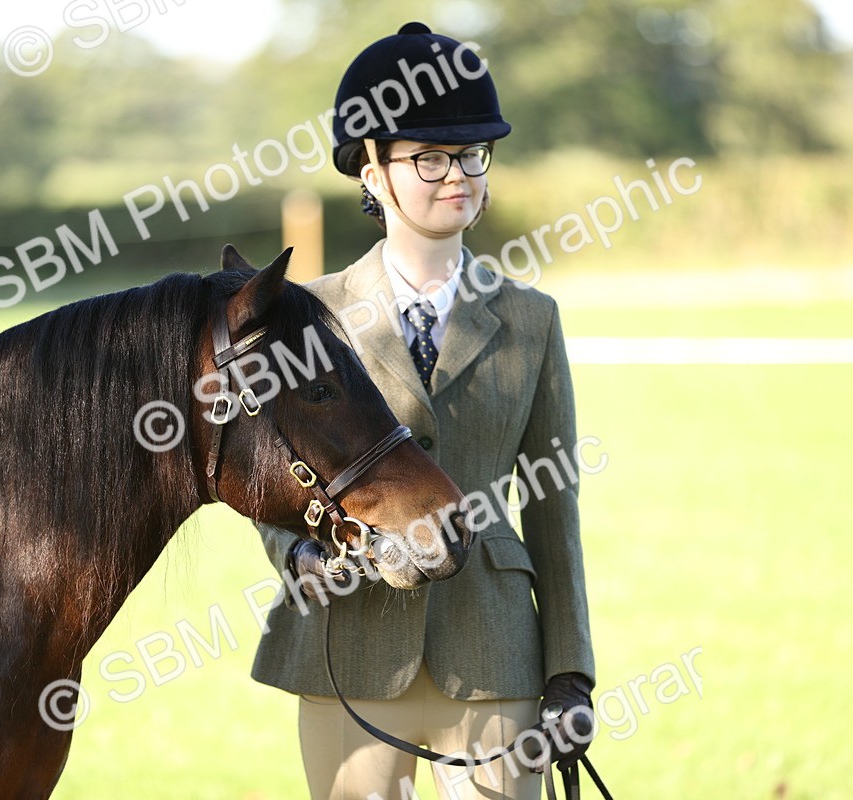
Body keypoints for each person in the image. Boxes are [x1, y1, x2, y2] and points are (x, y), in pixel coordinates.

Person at [251, 22, 596, 800]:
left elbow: (554, 510)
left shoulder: (532, 319)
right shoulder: (310, 315)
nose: (459, 177)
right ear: (370, 170)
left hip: (495, 641)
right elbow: (272, 476)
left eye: (472, 155)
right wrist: (297, 557)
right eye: (430, 158)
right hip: (349, 637)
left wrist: (571, 669)